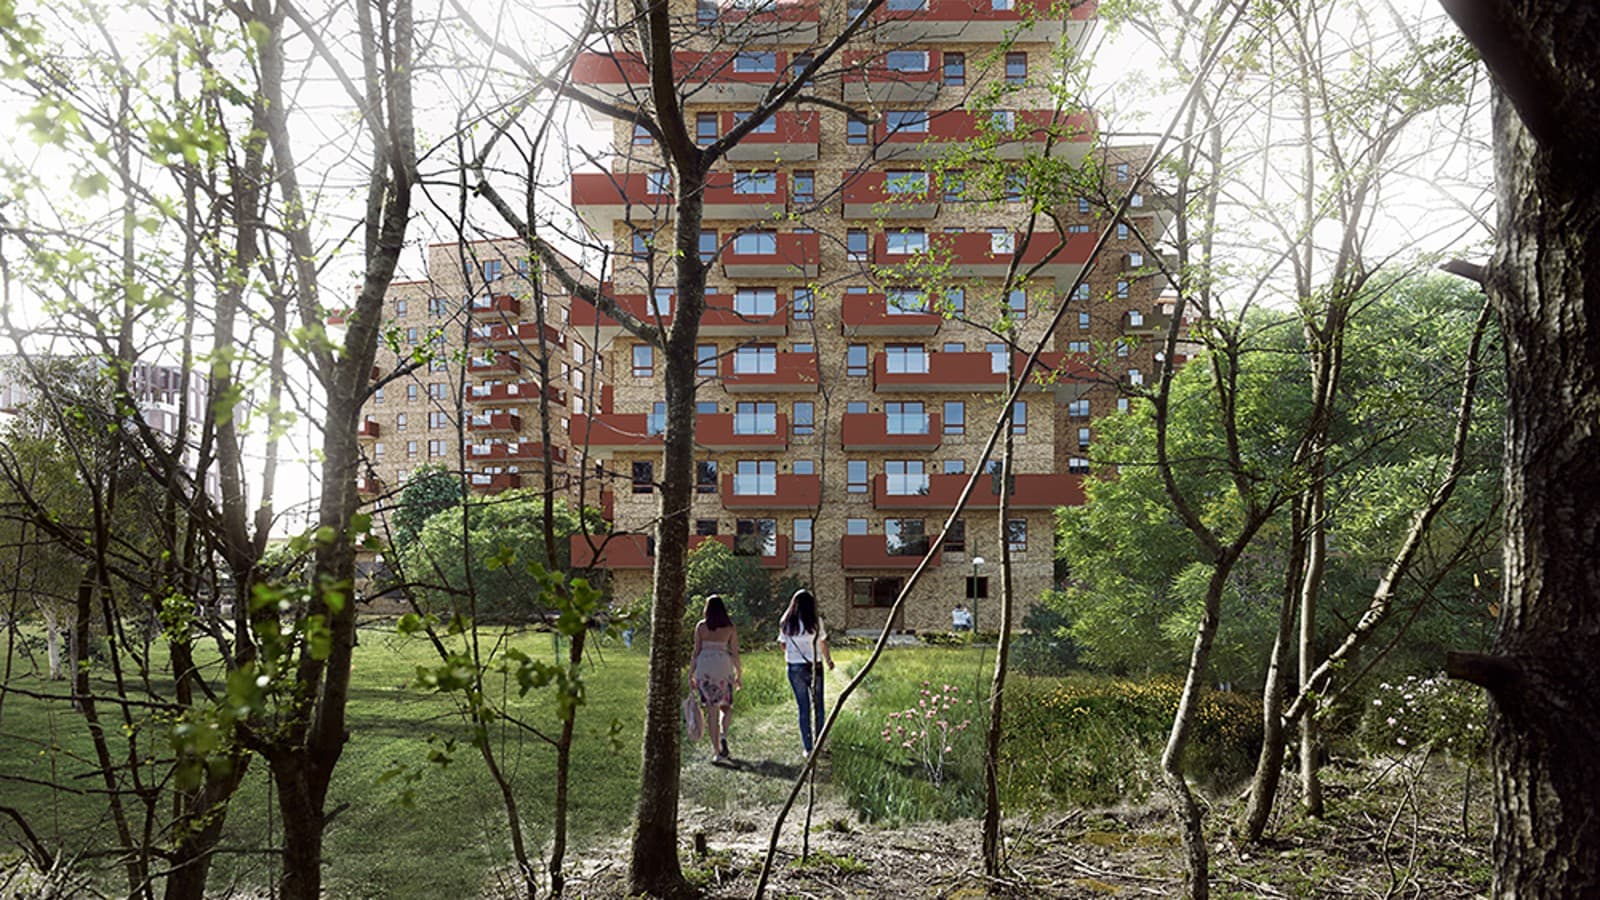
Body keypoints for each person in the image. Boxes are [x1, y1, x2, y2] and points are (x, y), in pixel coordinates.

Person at [777, 589, 834, 756]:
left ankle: (808, 748)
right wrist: (828, 660)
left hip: (794, 667)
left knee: (803, 707)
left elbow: (783, 644)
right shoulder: (816, 621)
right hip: (814, 666)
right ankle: (820, 744)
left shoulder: (786, 621)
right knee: (819, 707)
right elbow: (822, 643)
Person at [689, 594, 742, 761]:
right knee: (726, 707)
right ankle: (723, 735)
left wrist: (691, 673)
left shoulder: (701, 627)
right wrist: (738, 674)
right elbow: (734, 653)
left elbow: (695, 652)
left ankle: (717, 752)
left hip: (705, 668)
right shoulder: (730, 627)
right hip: (723, 666)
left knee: (711, 711)